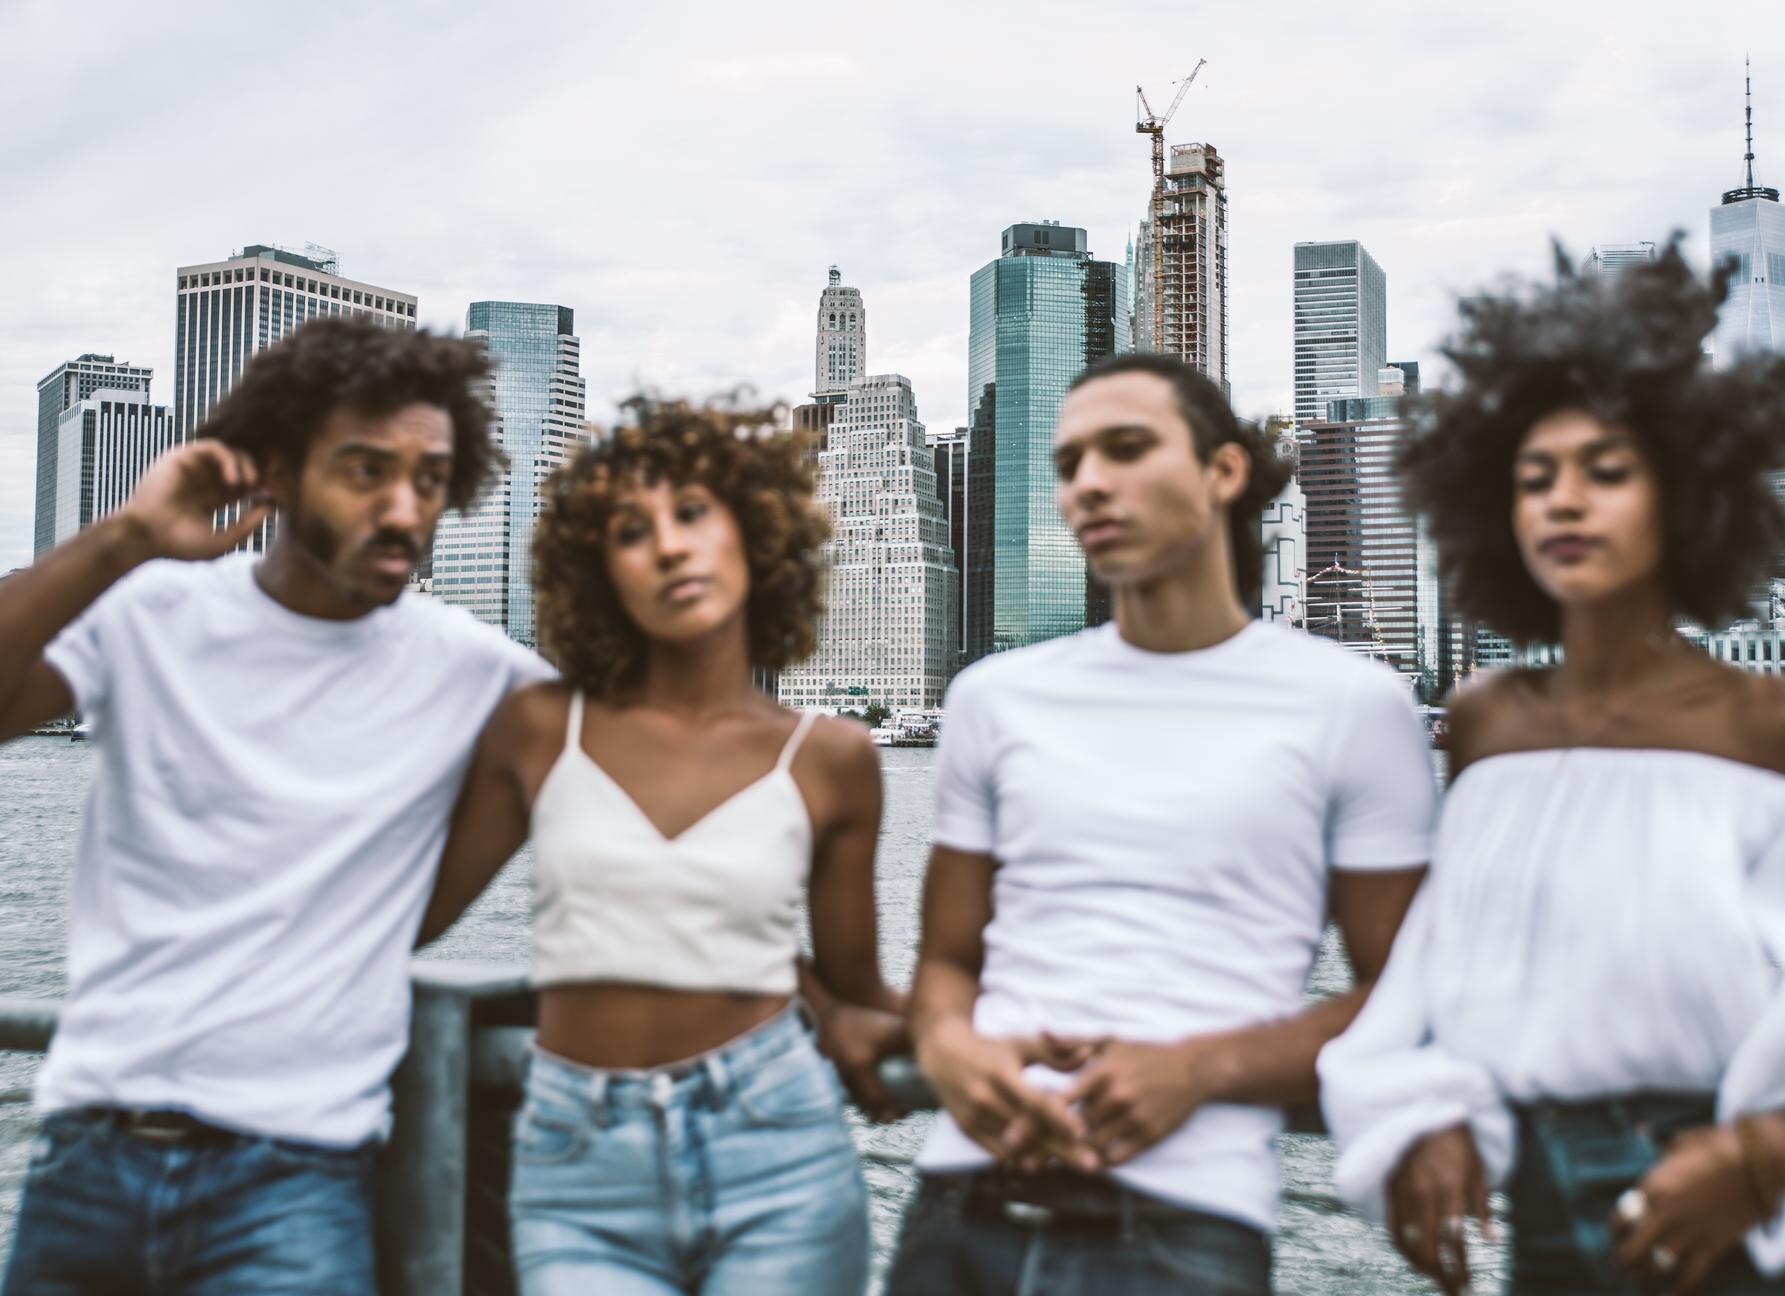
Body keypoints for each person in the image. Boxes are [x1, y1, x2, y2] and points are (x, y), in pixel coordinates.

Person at [1317, 241, 1785, 1295]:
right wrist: (1422, 1115)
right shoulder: (1487, 722)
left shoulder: (1777, 726)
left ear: (1683, 495)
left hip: (1747, 1221)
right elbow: (1444, 975)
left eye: (1605, 472)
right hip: (1544, 1217)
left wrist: (1761, 1156)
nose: (1563, 500)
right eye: (1534, 479)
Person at [0, 317, 553, 1294]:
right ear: (280, 472)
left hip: (298, 1177)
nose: (404, 509)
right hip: (87, 1153)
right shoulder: (150, 610)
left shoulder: (488, 678)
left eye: (430, 479)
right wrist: (127, 537)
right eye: (365, 470)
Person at [883, 353, 1438, 1295]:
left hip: (1188, 1225)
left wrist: (1200, 1069)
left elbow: (1407, 995)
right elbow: (945, 963)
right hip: (961, 1205)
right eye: (1070, 464)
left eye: (1128, 449)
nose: (1090, 483)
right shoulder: (992, 698)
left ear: (1225, 471)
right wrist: (949, 1048)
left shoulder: (1354, 704)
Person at [418, 397, 905, 1296]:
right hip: (577, 1159)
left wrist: (998, 1037)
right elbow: (413, 912)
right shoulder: (540, 727)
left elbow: (858, 985)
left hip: (778, 1146)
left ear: (756, 536)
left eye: (693, 515)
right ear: (600, 573)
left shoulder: (832, 757)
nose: (671, 548)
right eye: (632, 533)